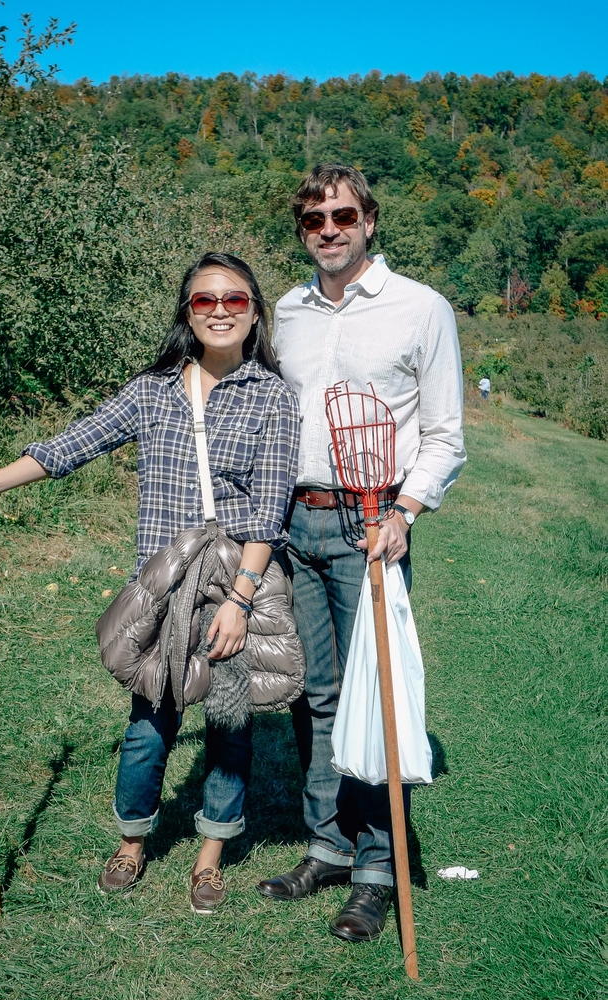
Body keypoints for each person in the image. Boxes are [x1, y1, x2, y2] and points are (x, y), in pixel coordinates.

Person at [0, 252, 300, 914]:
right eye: (203, 301)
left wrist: (242, 605)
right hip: (161, 592)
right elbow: (70, 446)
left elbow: (269, 510)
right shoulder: (151, 391)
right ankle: (133, 842)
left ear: (254, 313)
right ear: (186, 314)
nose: (219, 310)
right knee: (147, 729)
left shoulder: (273, 398)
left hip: (229, 590)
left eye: (234, 300)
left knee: (227, 728)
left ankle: (210, 857)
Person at [257, 164, 466, 942]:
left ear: (370, 220)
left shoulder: (420, 308)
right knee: (315, 695)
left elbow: (444, 434)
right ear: (302, 231)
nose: (329, 230)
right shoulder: (287, 308)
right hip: (293, 520)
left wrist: (406, 509)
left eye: (343, 215)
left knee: (371, 696)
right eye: (313, 221)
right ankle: (328, 846)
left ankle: (377, 868)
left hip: (370, 521)